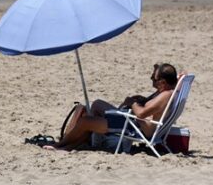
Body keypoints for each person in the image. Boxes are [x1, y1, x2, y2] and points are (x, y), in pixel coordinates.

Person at [45, 64, 178, 151]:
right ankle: (77, 141)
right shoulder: (167, 90)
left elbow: (141, 114)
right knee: (97, 104)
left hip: (133, 127)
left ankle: (61, 145)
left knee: (85, 121)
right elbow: (151, 107)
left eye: (153, 78)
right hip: (132, 121)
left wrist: (132, 103)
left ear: (163, 82)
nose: (151, 79)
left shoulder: (165, 95)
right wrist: (142, 100)